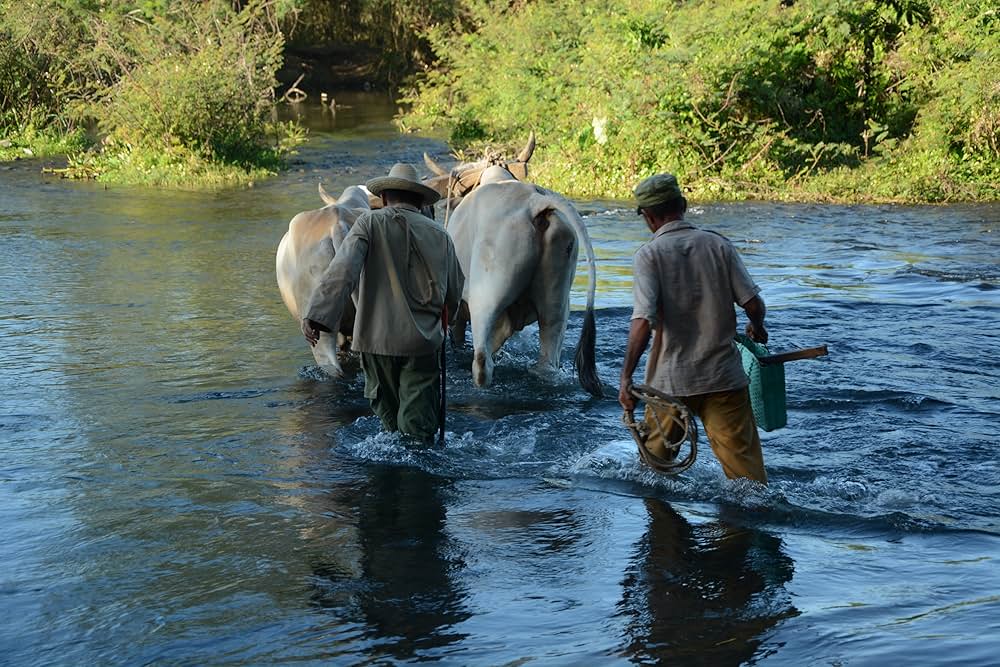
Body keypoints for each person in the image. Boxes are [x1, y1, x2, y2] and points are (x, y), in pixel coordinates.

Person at [618, 173, 770, 483]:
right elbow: (753, 304)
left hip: (669, 384)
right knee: (749, 485)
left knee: (652, 474)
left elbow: (643, 321)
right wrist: (757, 328)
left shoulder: (649, 256)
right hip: (723, 378)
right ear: (684, 205)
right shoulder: (718, 245)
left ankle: (665, 529)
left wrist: (626, 377)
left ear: (647, 217)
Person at [301, 163, 464, 443]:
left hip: (376, 342)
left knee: (389, 428)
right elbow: (454, 292)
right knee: (417, 430)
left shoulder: (369, 223)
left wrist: (316, 316)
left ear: (385, 197)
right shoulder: (441, 235)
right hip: (422, 344)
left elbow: (342, 272)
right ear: (421, 201)